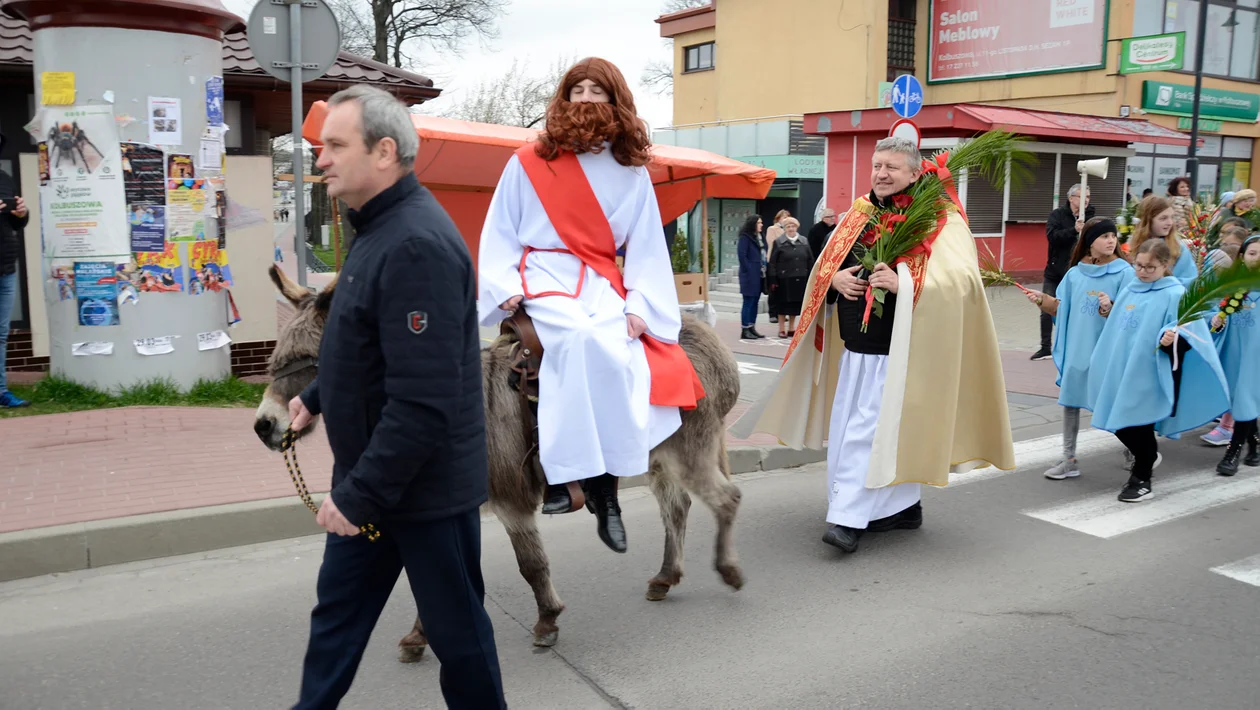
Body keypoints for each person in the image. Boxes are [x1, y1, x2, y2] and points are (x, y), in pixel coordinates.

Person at [286, 85, 505, 709]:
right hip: (376, 484)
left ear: (384, 152)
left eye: (334, 145)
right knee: (335, 629)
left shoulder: (415, 245)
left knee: (460, 644)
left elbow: (424, 400)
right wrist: (319, 395)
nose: (320, 157)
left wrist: (359, 495)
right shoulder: (377, 229)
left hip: (421, 495)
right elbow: (373, 345)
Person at [731, 136, 1015, 554]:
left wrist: (903, 282)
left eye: (892, 168)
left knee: (868, 431)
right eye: (877, 166)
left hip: (902, 352)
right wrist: (834, 279)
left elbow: (962, 280)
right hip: (855, 349)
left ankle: (847, 518)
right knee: (855, 430)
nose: (881, 174)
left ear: (916, 172)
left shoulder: (941, 216)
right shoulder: (859, 212)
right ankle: (903, 507)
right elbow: (828, 264)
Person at [477, 57, 704, 554]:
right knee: (577, 338)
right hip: (543, 275)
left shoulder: (631, 171)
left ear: (614, 99)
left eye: (594, 91)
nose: (583, 99)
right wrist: (502, 284)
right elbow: (499, 230)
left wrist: (641, 305)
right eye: (575, 90)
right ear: (563, 99)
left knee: (618, 344)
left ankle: (607, 491)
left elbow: (646, 247)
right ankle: (564, 480)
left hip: (601, 279)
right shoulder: (528, 161)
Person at [1086, 239, 1229, 503]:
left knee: (1138, 424)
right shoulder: (1131, 288)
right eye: (1138, 265)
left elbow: (1190, 334)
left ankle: (1142, 478)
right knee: (1118, 422)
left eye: (1149, 267)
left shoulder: (1175, 294)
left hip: (1152, 373)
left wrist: (1171, 339)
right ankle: (1148, 458)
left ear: (1165, 265)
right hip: (1122, 369)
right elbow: (1117, 330)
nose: (1142, 271)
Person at [1024, 218, 1134, 480]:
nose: (1111, 241)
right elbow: (1062, 309)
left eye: (1113, 236)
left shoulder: (1124, 272)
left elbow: (1132, 312)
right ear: (1089, 241)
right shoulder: (1075, 274)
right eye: (1104, 236)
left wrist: (1111, 307)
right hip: (1078, 349)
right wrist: (1043, 301)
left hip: (1108, 351)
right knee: (1071, 403)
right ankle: (1069, 459)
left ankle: (1135, 450)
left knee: (1113, 402)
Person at [1209, 235, 1260, 475]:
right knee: (1238, 399)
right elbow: (1219, 322)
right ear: (1241, 257)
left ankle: (1233, 451)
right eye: (1252, 254)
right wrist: (1217, 322)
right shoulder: (1233, 288)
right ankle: (1255, 443)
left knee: (1245, 399)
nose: (1257, 259)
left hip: (1255, 358)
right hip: (1234, 354)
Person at [1034, 183, 1094, 360]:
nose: (1086, 201)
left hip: (1078, 272)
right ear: (1071, 198)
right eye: (1082, 197)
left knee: (1075, 309)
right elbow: (1052, 237)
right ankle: (1045, 347)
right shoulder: (1057, 215)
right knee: (1045, 305)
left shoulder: (1091, 218)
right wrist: (1073, 230)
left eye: (1088, 197)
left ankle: (1073, 345)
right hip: (1055, 270)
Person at [0, 153, 30, 409]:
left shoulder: (4, 178)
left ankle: (0, 391)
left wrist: (21, 213)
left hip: (6, 266)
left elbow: (16, 223)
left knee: (1, 334)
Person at [1128, 195, 1197, 283]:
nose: (1170, 223)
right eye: (1163, 218)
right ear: (1148, 221)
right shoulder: (1131, 246)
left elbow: (1189, 281)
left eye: (1172, 217)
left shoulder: (1179, 249)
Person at [766, 217, 812, 338]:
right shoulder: (779, 242)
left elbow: (810, 260)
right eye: (788, 227)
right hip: (783, 279)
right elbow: (772, 263)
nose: (791, 229)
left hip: (800, 278)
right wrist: (773, 279)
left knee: (795, 306)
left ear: (797, 227)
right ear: (784, 229)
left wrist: (810, 277)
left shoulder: (804, 241)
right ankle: (781, 329)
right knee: (782, 305)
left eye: (793, 226)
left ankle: (792, 328)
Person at [737, 214, 766, 340]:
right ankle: (745, 329)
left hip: (760, 274)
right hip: (749, 275)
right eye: (759, 223)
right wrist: (749, 269)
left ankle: (752, 327)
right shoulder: (745, 238)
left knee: (755, 302)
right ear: (753, 224)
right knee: (748, 302)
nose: (761, 225)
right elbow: (742, 256)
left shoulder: (760, 237)